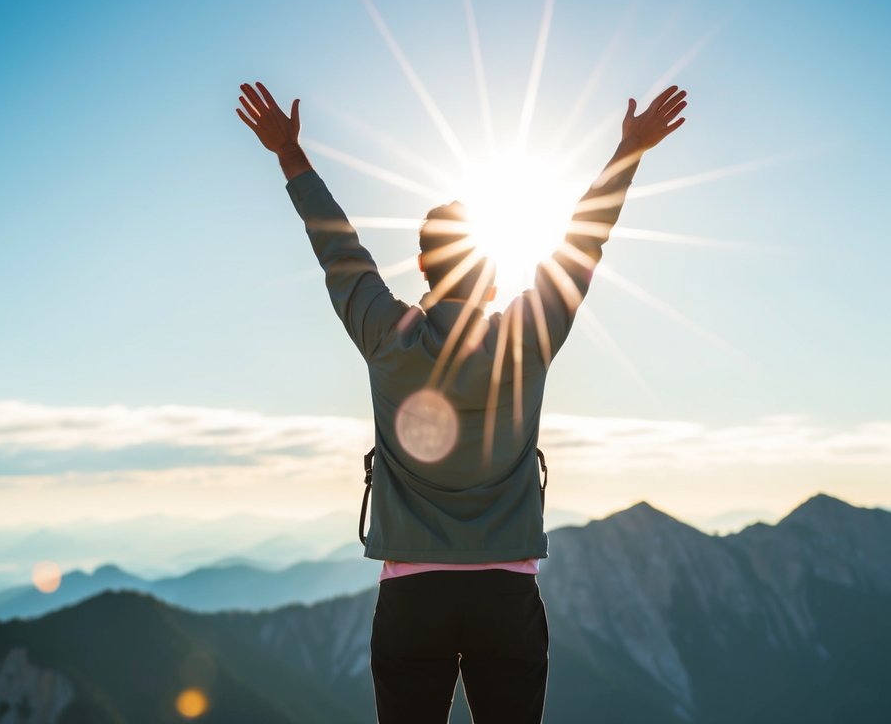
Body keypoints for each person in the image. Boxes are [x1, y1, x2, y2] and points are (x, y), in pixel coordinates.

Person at [236, 80, 688, 723]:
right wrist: (628, 152)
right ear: (496, 271)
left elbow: (339, 251)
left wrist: (290, 155)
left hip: (411, 598)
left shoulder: (387, 340)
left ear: (422, 264)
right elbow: (582, 244)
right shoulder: (527, 340)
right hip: (507, 595)